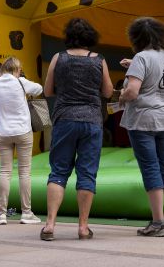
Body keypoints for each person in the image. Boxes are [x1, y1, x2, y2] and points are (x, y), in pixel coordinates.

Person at [40, 18, 113, 241]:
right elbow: (108, 92)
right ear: (90, 37)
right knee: (87, 173)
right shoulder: (99, 60)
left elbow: (48, 90)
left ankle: (50, 224)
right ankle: (83, 227)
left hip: (64, 120)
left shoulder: (58, 58)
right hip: (91, 121)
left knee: (59, 171)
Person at [119, 17, 164, 237]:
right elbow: (156, 75)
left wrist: (122, 96)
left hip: (144, 120)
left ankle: (157, 223)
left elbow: (133, 91)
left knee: (150, 168)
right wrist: (134, 65)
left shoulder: (141, 57)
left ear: (137, 37)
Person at [0, 56, 43, 225]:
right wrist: (23, 79)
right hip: (23, 131)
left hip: (3, 132)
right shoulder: (21, 82)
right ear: (16, 69)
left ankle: (2, 214)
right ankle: (26, 212)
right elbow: (39, 89)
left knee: (4, 172)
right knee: (24, 172)